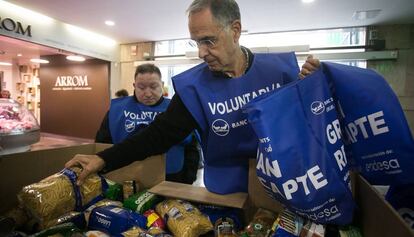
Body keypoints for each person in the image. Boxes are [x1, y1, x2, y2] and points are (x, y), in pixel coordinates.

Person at [66, 0, 320, 194]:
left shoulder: (282, 70)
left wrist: (311, 89)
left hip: (286, 186)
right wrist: (103, 158)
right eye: (196, 42)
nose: (201, 52)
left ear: (235, 30)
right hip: (225, 191)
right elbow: (157, 136)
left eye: (209, 41)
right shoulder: (194, 87)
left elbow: (307, 128)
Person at [95, 63, 200, 184]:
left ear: (162, 85)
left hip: (172, 175)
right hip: (127, 176)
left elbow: (192, 146)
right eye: (141, 87)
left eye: (154, 87)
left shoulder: (176, 109)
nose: (148, 93)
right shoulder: (117, 110)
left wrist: (188, 176)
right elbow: (102, 143)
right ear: (134, 86)